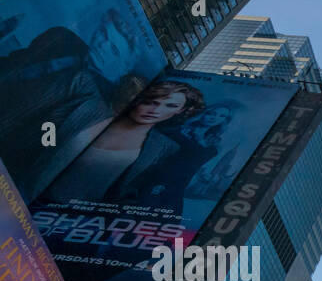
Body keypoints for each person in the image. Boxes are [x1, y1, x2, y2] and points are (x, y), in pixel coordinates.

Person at [0, 8, 145, 198]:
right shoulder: (62, 38)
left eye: (114, 49)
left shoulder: (96, 108)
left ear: (125, 67)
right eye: (103, 33)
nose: (102, 45)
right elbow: (13, 63)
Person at [41, 79, 205, 207]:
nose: (155, 110)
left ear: (180, 110)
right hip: (27, 195)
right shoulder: (88, 109)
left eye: (170, 105)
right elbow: (38, 136)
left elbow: (136, 191)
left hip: (71, 218)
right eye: (150, 101)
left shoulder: (164, 148)